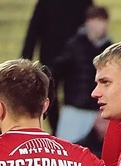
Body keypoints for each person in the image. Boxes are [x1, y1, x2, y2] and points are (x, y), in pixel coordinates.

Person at [21, 0, 94, 130]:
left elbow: (34, 29)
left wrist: (26, 58)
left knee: (64, 95)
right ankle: (58, 129)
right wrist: (26, 58)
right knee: (50, 94)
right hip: (56, 58)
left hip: (69, 58)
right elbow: (34, 28)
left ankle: (62, 129)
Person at [53, 6, 112, 142]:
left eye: (102, 21)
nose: (101, 25)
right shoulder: (74, 46)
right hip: (74, 109)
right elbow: (56, 72)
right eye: (96, 20)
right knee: (66, 147)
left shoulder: (109, 50)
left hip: (98, 111)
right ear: (88, 22)